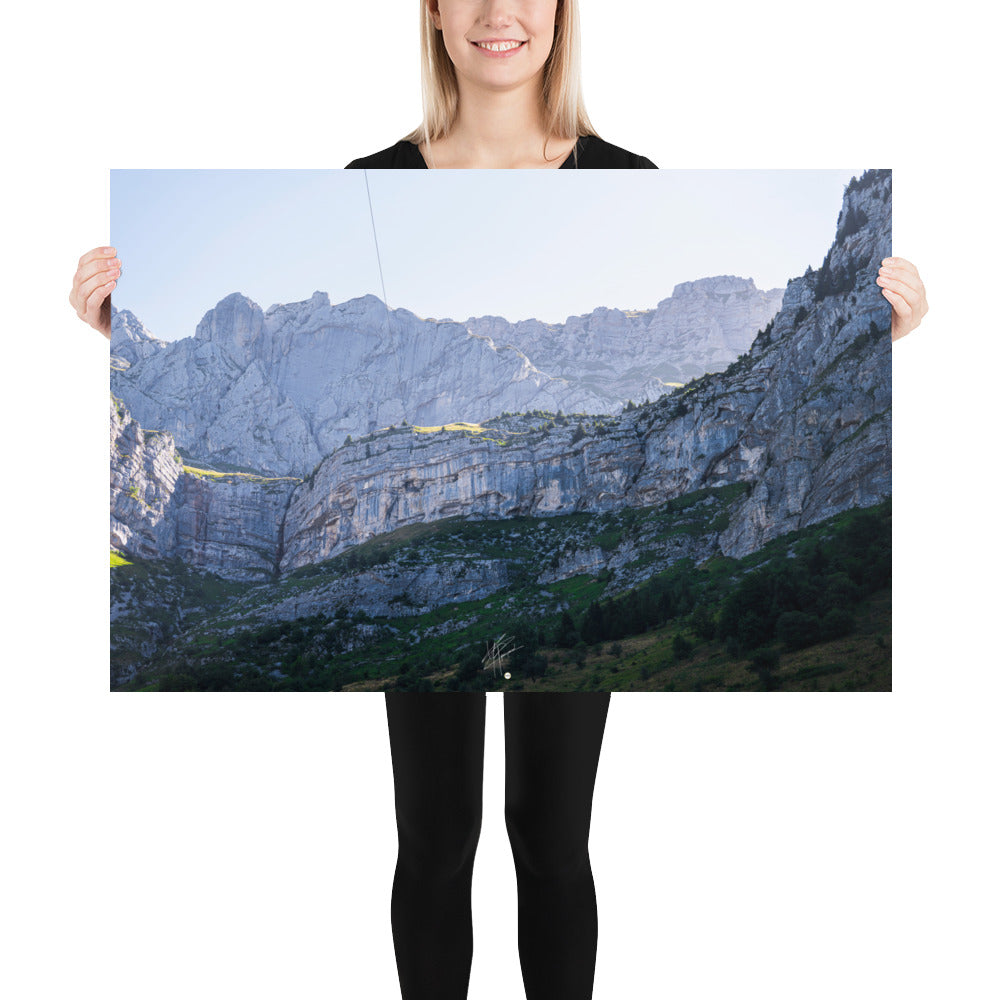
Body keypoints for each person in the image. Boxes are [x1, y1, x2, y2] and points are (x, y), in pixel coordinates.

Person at [71, 2, 928, 998]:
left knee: (552, 835)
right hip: (441, 606)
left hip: (567, 590)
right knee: (435, 839)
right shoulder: (371, 182)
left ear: (563, 14)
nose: (497, 14)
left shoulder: (626, 182)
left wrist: (880, 344)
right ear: (430, 14)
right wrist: (121, 351)